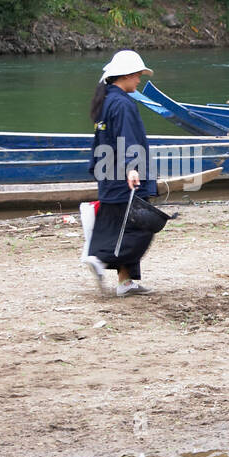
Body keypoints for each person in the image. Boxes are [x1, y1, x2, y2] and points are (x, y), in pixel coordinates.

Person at [84, 50, 158, 297]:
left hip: (108, 175)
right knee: (141, 227)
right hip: (124, 176)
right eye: (137, 76)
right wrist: (132, 168)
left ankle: (125, 282)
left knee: (119, 226)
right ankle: (100, 259)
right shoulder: (123, 104)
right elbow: (127, 139)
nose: (139, 81)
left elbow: (99, 141)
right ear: (125, 75)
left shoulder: (105, 101)